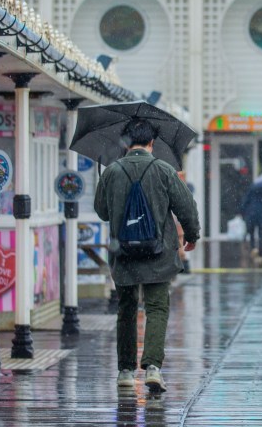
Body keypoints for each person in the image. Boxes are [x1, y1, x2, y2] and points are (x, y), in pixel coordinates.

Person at [94, 119, 200, 390]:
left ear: (126, 142)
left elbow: (102, 212)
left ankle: (126, 372)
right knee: (156, 307)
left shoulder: (111, 171)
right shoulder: (164, 170)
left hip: (123, 253)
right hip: (159, 253)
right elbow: (185, 207)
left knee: (126, 309)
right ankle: (152, 366)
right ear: (152, 143)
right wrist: (191, 235)